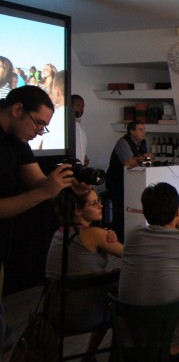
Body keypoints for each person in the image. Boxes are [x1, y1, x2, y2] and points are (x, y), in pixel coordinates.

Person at [0, 86, 86, 352]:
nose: (40, 131)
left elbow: (38, 181)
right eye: (38, 123)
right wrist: (46, 192)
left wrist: (67, 184)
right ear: (17, 110)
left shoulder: (18, 141)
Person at [119, 182, 179, 355]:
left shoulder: (133, 236)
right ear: (177, 211)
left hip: (133, 339)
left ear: (145, 212)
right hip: (173, 342)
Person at [46, 189, 123, 357]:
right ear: (77, 210)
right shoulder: (94, 234)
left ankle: (90, 355)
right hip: (88, 314)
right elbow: (131, 255)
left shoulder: (58, 233)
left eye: (99, 201)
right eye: (94, 203)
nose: (101, 206)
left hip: (56, 313)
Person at [105, 120, 154, 241]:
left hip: (131, 182)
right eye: (140, 129)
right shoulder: (123, 142)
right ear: (131, 131)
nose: (143, 132)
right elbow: (128, 163)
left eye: (144, 129)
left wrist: (141, 159)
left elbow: (151, 158)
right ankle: (118, 238)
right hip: (117, 183)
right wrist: (142, 159)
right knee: (120, 211)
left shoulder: (142, 143)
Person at [71, 94, 89, 166]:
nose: (81, 109)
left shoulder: (80, 126)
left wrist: (84, 157)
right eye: (78, 105)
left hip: (80, 167)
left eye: (82, 106)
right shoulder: (66, 125)